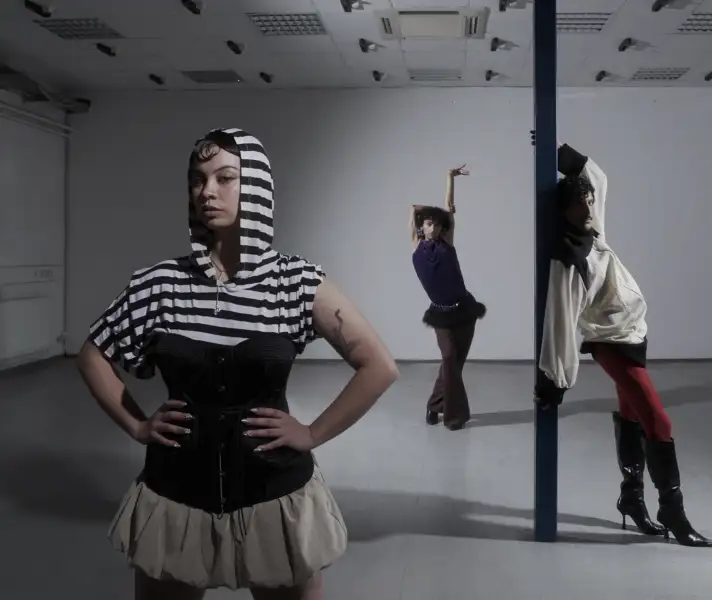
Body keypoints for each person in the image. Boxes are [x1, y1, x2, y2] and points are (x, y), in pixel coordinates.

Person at [76, 128, 400, 600]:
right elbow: (93, 354)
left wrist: (312, 433)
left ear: (257, 188)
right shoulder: (160, 284)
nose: (207, 191)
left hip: (276, 495)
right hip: (176, 495)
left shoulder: (295, 282)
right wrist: (138, 425)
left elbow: (379, 366)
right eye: (198, 179)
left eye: (225, 178)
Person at [531, 131, 712, 548]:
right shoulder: (569, 261)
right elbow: (561, 322)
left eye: (590, 201)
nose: (590, 206)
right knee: (658, 422)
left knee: (631, 415)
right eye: (581, 202)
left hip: (633, 335)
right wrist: (556, 380)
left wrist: (557, 152)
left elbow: (596, 178)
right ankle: (673, 512)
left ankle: (631, 499)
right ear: (565, 210)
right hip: (611, 341)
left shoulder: (592, 228)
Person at [409, 165, 486, 430]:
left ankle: (434, 405)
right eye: (429, 223)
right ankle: (454, 417)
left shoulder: (447, 244)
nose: (433, 228)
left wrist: (449, 179)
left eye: (438, 224)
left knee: (454, 365)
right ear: (422, 226)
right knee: (449, 358)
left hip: (464, 309)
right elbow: (413, 210)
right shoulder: (416, 246)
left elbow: (449, 209)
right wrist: (422, 211)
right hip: (441, 313)